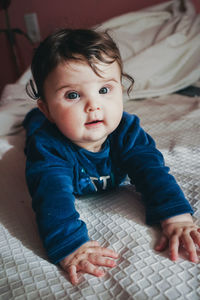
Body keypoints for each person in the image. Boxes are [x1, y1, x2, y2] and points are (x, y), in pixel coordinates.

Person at [24, 28, 200, 285]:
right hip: (44, 130)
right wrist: (70, 245)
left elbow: (152, 171)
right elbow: (51, 198)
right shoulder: (49, 148)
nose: (93, 105)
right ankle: (32, 117)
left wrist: (177, 217)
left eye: (105, 90)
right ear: (48, 108)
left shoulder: (127, 132)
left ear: (122, 88)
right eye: (72, 95)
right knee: (35, 127)